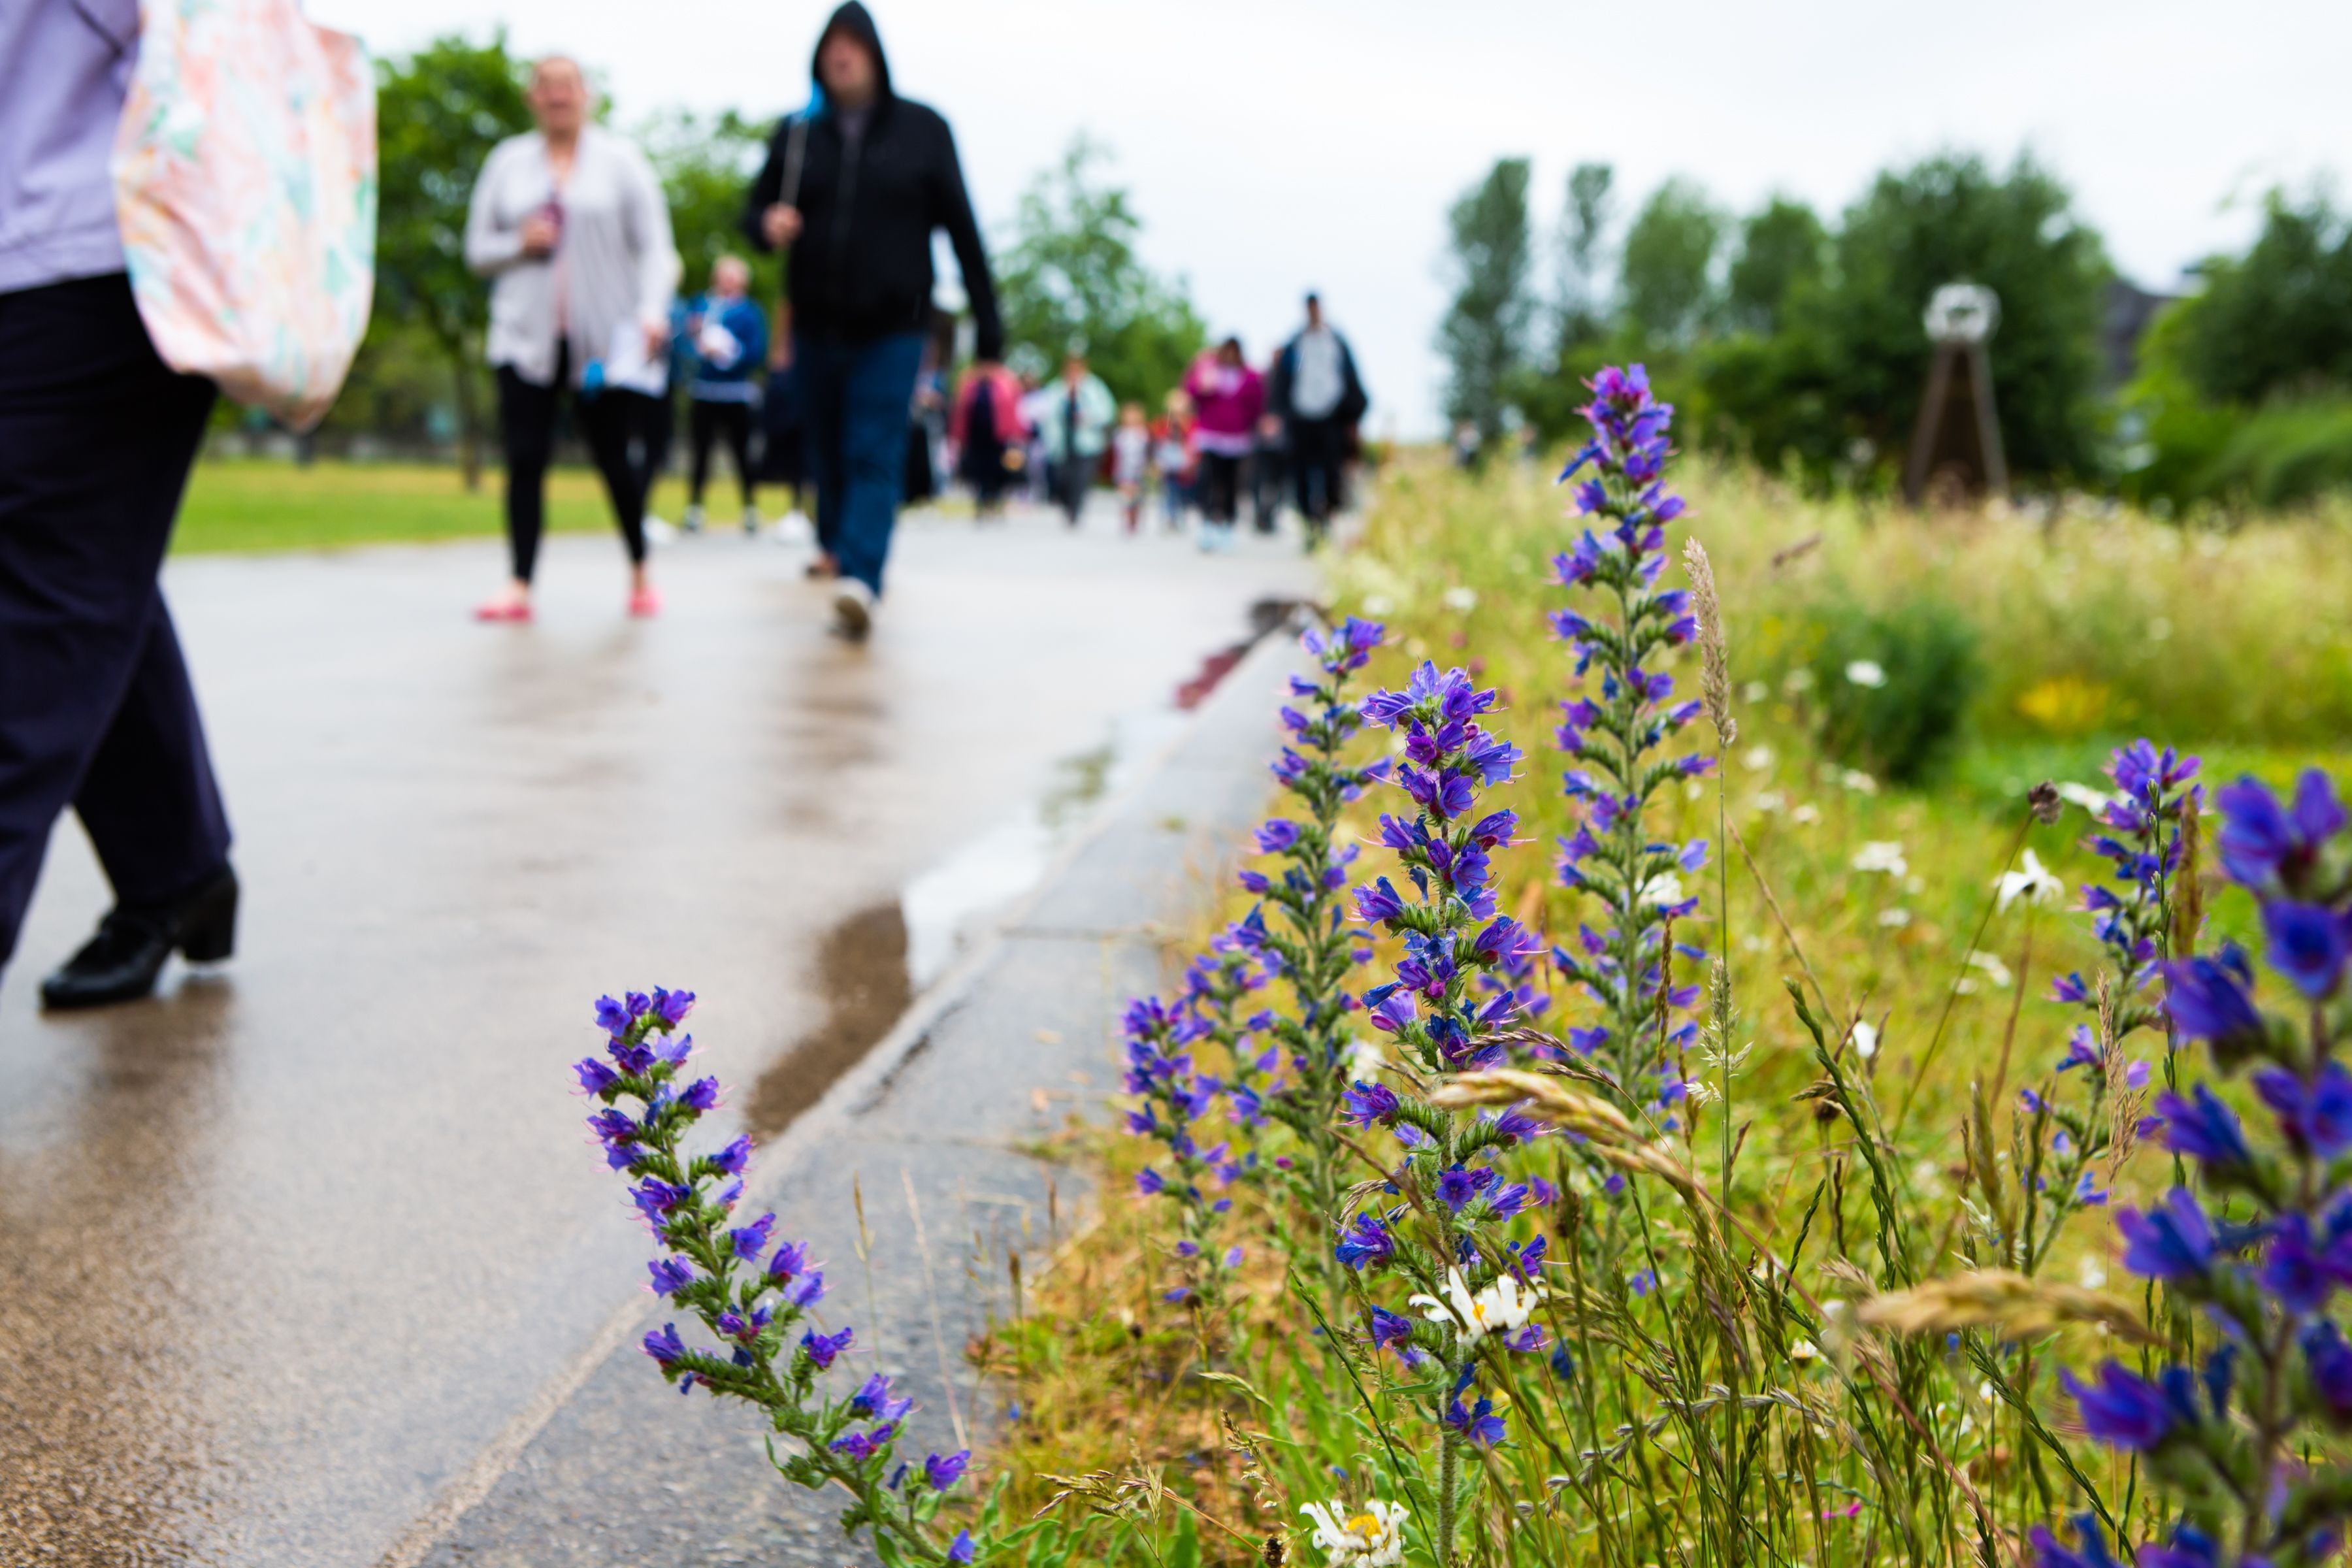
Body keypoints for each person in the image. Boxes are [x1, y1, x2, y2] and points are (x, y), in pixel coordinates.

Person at [1, 0, 239, 1006]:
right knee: (77, 573)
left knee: (39, 605)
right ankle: (177, 873)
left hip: (95, 266)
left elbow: (209, 37)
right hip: (35, 260)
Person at [743, 2, 1002, 640]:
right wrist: (766, 226)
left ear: (875, 54)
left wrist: (990, 327)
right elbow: (753, 213)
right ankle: (838, 545)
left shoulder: (923, 130)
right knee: (827, 448)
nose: (841, 54)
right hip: (817, 324)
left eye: (852, 43)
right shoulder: (799, 135)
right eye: (831, 44)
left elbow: (964, 231)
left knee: (873, 448)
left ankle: (862, 577)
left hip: (895, 324)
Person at [466, 56, 679, 621]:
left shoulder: (621, 162)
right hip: (524, 336)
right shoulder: (508, 164)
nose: (558, 95)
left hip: (602, 344)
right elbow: (476, 250)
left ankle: (639, 569)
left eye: (568, 85)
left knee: (613, 457)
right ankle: (519, 583)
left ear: (587, 95)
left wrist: (653, 311)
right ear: (532, 97)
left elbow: (656, 247)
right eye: (546, 86)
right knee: (525, 457)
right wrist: (518, 241)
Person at [1264, 291, 1369, 547]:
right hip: (1300, 418)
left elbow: (1351, 380)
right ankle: (1310, 522)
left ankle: (1325, 516)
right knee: (1299, 474)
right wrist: (1275, 413)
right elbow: (1282, 381)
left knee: (1332, 472)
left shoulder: (1337, 343)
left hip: (1332, 418)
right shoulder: (1295, 344)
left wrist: (1353, 417)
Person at [681, 255, 768, 535]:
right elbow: (685, 343)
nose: (728, 281)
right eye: (724, 275)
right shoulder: (702, 306)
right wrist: (697, 343)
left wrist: (729, 354)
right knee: (700, 453)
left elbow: (756, 351)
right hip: (704, 390)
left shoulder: (749, 312)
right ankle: (694, 507)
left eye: (734, 276)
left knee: (742, 453)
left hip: (736, 393)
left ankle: (750, 507)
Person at [1183, 338, 1264, 553]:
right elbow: (1190, 391)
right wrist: (1200, 378)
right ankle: (1207, 525)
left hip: (1237, 440)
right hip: (1210, 436)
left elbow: (1258, 405)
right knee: (1207, 481)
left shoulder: (1250, 376)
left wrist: (1251, 427)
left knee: (1230, 485)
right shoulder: (1209, 371)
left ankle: (1227, 526)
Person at [1032, 351, 1115, 527]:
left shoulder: (1094, 388)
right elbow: (1045, 415)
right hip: (1062, 441)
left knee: (1081, 478)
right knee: (1062, 477)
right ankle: (1066, 505)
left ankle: (1075, 511)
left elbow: (1108, 412)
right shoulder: (1056, 388)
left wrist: (1088, 418)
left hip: (1087, 442)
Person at [949, 357, 1025, 517]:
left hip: (998, 437)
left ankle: (994, 500)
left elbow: (1013, 409)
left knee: (999, 470)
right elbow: (960, 410)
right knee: (978, 471)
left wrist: (1016, 434)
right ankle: (982, 502)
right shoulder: (970, 383)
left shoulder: (1005, 383)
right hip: (976, 438)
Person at [1151, 388, 1195, 530]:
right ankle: (1168, 516)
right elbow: (1156, 440)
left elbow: (1194, 442)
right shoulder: (1163, 423)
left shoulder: (1191, 425)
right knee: (1168, 489)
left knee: (1183, 491)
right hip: (1167, 463)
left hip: (1184, 464)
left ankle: (1179, 515)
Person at [1111, 402, 1151, 533]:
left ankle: (1134, 517)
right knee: (1124, 496)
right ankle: (1125, 518)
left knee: (1137, 496)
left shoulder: (1143, 434)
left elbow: (1148, 452)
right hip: (1123, 469)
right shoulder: (1120, 434)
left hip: (1138, 469)